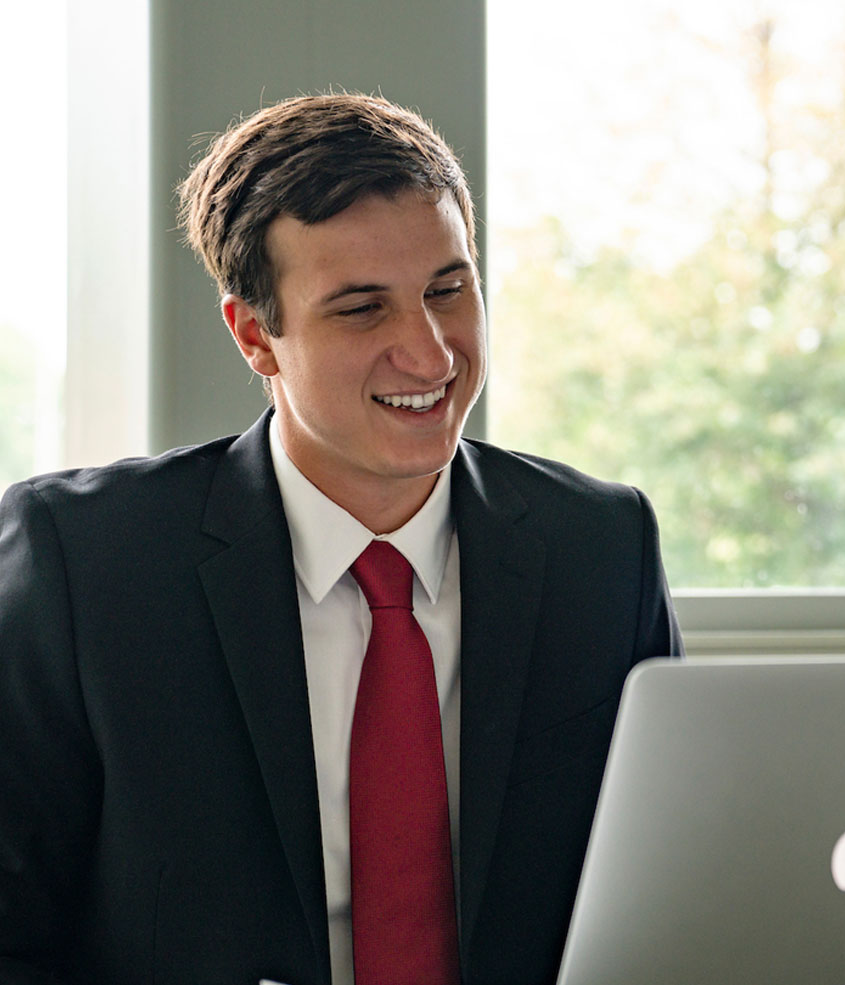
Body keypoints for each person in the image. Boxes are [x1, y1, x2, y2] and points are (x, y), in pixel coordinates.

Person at [0, 92, 683, 985]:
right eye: (363, 309)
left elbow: (668, 891)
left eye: (449, 288)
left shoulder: (601, 544)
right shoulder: (83, 561)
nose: (431, 353)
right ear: (256, 336)